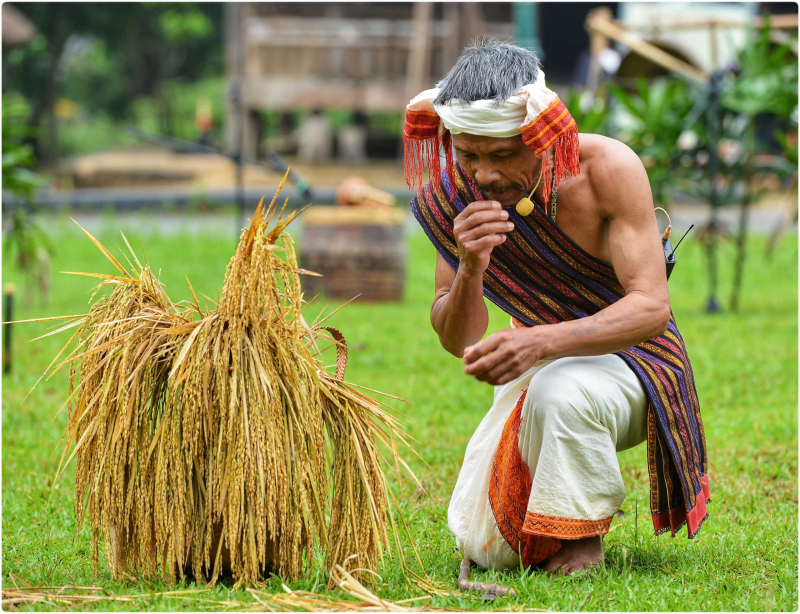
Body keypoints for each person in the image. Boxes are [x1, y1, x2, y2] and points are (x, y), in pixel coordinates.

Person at [404, 39, 709, 575]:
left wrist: (539, 341)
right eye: (468, 154)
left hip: (637, 363)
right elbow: (460, 340)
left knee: (558, 388)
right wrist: (470, 265)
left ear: (541, 134)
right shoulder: (454, 192)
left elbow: (650, 309)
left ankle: (580, 536)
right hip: (540, 363)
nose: (484, 174)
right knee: (487, 548)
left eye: (502, 155)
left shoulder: (608, 169)